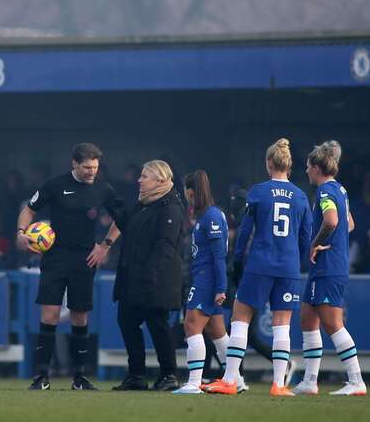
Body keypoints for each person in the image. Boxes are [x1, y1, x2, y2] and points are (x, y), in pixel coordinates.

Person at [205, 138, 312, 397]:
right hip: (288, 267)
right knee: (282, 325)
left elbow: (245, 231)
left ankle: (230, 379)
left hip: (260, 263)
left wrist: (238, 259)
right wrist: (295, 261)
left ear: (268, 163)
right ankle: (279, 384)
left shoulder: (258, 191)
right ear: (289, 165)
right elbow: (306, 237)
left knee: (240, 319)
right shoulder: (301, 196)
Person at [16, 143, 122, 390]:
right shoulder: (55, 185)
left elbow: (122, 220)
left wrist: (105, 245)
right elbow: (28, 210)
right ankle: (42, 377)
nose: (91, 172)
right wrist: (21, 233)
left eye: (95, 167)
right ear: (74, 163)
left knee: (80, 316)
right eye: (86, 167)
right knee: (49, 315)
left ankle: (80, 378)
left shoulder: (103, 190)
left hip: (85, 260)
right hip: (54, 258)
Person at [294, 140, 367, 396]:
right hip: (326, 267)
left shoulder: (325, 192)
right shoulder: (341, 190)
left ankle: (356, 381)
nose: (306, 171)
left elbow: (333, 221)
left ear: (316, 168)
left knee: (332, 323)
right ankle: (310, 381)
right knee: (307, 317)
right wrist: (334, 242)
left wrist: (317, 243)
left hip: (329, 267)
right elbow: (350, 224)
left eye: (307, 166)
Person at [110, 160, 184, 392]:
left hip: (155, 279)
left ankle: (169, 374)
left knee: (157, 325)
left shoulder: (170, 206)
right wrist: (112, 205)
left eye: (145, 176)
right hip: (132, 277)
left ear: (160, 180)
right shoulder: (144, 204)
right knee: (127, 321)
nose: (139, 180)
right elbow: (127, 225)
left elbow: (166, 245)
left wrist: (151, 274)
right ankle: (136, 374)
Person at [173, 170, 231, 394]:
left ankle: (194, 382)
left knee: (191, 325)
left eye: (187, 194)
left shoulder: (211, 216)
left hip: (207, 280)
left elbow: (219, 256)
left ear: (191, 192)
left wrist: (221, 287)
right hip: (206, 278)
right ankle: (235, 379)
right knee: (217, 332)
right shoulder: (207, 216)